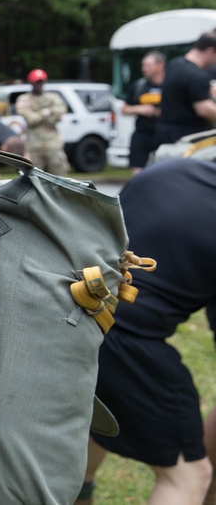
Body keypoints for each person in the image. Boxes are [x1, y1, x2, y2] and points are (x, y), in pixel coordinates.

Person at [79, 157, 216, 505]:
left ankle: (78, 492)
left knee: (92, 422)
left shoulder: (173, 168)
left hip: (66, 311)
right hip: (124, 336)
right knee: (188, 475)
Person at [156, 30, 216, 146]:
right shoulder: (196, 75)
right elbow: (204, 109)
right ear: (210, 51)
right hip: (186, 137)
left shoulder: (176, 64)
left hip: (165, 133)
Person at [15, 68, 68, 175]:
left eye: (41, 82)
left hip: (53, 144)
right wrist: (47, 111)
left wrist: (38, 115)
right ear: (31, 83)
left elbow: (59, 115)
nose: (39, 84)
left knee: (60, 176)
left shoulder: (53, 97)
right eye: (36, 82)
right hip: (34, 146)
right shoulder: (24, 99)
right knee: (34, 177)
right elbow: (30, 119)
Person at [121, 51, 166, 174]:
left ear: (160, 65)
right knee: (138, 172)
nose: (144, 69)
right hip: (142, 135)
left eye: (148, 65)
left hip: (163, 134)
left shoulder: (170, 85)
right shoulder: (139, 85)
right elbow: (124, 109)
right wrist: (139, 109)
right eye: (143, 65)